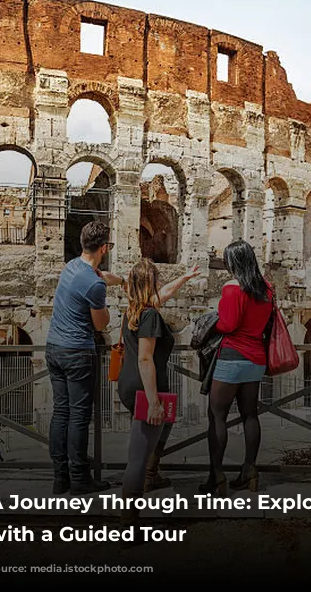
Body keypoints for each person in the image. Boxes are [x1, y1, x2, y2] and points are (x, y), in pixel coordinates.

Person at [117, 258, 200, 534]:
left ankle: (148, 481)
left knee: (149, 442)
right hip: (144, 387)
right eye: (158, 278)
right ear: (150, 283)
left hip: (130, 384)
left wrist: (185, 278)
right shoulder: (151, 316)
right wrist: (153, 402)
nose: (162, 282)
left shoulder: (135, 309)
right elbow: (145, 359)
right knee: (138, 457)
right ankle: (128, 524)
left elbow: (162, 296)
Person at [46, 220, 125, 495]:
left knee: (61, 413)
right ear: (104, 248)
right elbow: (101, 324)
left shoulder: (71, 267)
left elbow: (96, 278)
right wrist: (106, 299)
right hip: (77, 352)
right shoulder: (94, 285)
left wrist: (117, 280)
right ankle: (80, 478)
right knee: (79, 416)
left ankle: (61, 478)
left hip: (53, 348)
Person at [201, 240, 273, 495]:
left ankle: (217, 477)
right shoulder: (266, 289)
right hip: (256, 358)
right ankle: (249, 470)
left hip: (232, 357)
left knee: (217, 416)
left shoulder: (233, 288)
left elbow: (228, 325)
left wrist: (211, 321)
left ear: (233, 263)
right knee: (250, 415)